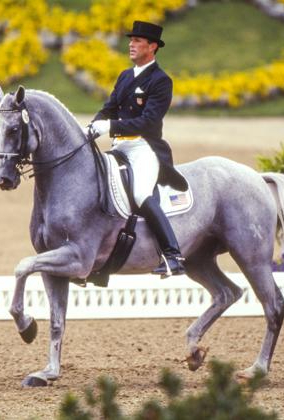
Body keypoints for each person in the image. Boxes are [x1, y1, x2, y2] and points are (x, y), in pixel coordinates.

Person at [89, 20, 186, 278]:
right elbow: (109, 108)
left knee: (142, 194)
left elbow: (148, 122)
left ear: (152, 47)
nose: (131, 44)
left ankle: (172, 255)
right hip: (119, 147)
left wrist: (109, 126)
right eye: (131, 40)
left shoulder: (160, 80)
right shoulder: (124, 76)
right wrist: (92, 126)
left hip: (144, 147)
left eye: (138, 41)